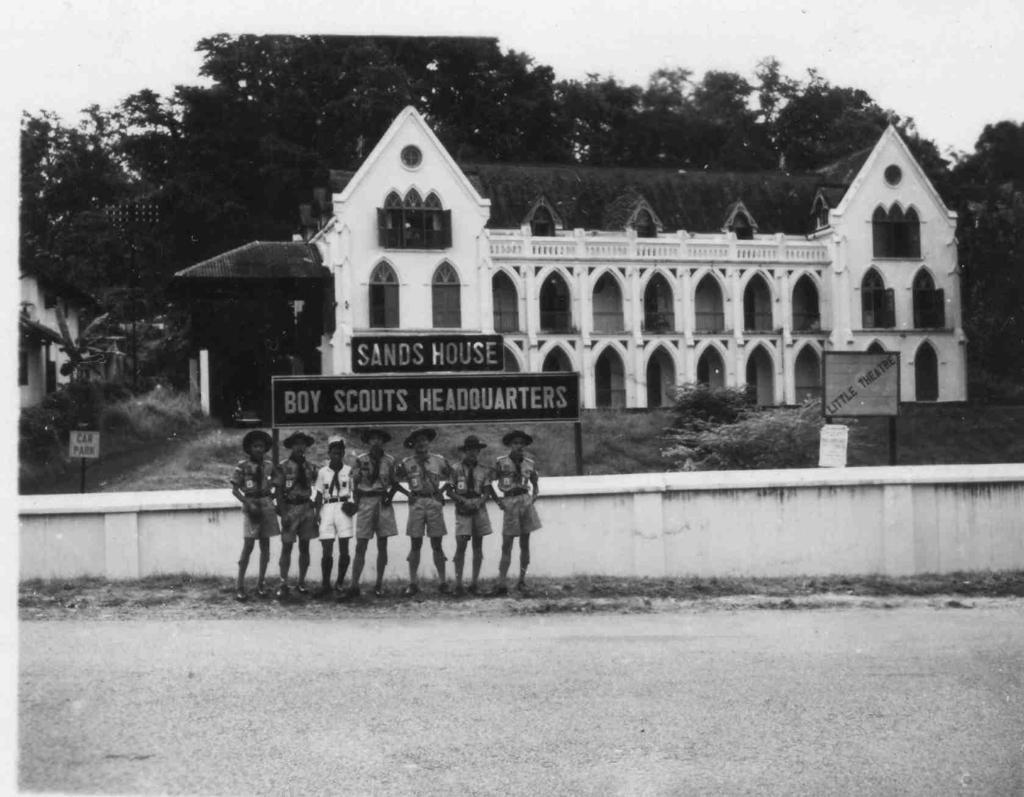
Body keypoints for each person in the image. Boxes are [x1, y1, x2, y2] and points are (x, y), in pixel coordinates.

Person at [396, 428, 452, 596]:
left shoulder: (439, 461)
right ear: (413, 444)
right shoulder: (407, 463)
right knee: (415, 543)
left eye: (424, 440)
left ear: (429, 442)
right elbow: (393, 479)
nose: (421, 443)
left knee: (437, 543)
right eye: (418, 441)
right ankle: (413, 583)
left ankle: (442, 582)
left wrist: (442, 492)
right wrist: (407, 494)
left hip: (434, 501)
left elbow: (454, 476)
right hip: (417, 502)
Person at [349, 429, 404, 597]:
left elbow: (395, 483)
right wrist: (356, 504)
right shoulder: (360, 460)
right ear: (368, 441)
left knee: (382, 544)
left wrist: (390, 496)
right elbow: (355, 483)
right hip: (365, 501)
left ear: (383, 441)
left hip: (382, 501)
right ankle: (354, 585)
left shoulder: (389, 460)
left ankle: (378, 584)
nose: (376, 442)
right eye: (373, 439)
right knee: (361, 545)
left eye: (379, 439)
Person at [229, 429, 279, 601]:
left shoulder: (268, 465)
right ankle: (240, 586)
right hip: (251, 506)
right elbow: (235, 490)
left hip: (265, 505)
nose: (259, 449)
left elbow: (277, 481)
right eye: (255, 446)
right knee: (248, 545)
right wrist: (247, 502)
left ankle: (261, 584)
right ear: (249, 449)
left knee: (265, 545)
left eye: (262, 446)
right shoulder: (242, 466)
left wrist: (270, 496)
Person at [491, 430, 542, 595]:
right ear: (510, 445)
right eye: (515, 443)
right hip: (510, 501)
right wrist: (498, 501)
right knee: (507, 544)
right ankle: (502, 582)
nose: (519, 446)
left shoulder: (529, 463)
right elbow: (488, 481)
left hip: (525, 501)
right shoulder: (501, 462)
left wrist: (534, 496)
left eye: (521, 443)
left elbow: (535, 482)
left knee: (525, 544)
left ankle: (521, 580)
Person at [445, 434, 496, 596]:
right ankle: (459, 584)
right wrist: (462, 500)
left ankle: (474, 583)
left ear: (478, 451)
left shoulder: (483, 470)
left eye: (475, 450)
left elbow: (487, 491)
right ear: (464, 451)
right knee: (461, 545)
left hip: (478, 509)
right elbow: (448, 491)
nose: (472, 453)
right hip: (463, 509)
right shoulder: (455, 469)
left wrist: (480, 502)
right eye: (469, 450)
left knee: (477, 546)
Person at [273, 431, 319, 598]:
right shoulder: (283, 467)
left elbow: (319, 485)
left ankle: (301, 582)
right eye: (296, 444)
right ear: (291, 446)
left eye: (303, 444)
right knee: (287, 546)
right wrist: (284, 512)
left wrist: (314, 503)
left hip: (306, 508)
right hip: (290, 508)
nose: (300, 447)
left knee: (304, 547)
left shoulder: (311, 467)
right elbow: (278, 492)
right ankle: (283, 583)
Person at [313, 435, 356, 598]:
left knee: (344, 547)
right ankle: (325, 585)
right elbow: (318, 494)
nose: (337, 453)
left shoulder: (349, 471)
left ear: (343, 452)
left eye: (340, 451)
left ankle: (339, 583)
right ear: (329, 453)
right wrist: (317, 514)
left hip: (343, 508)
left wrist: (355, 505)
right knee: (327, 547)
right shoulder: (323, 472)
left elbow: (355, 491)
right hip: (327, 507)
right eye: (334, 451)